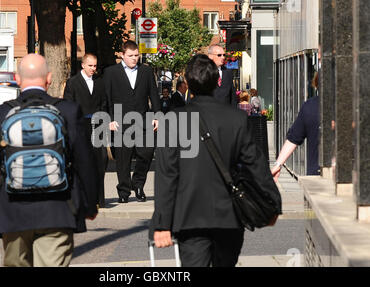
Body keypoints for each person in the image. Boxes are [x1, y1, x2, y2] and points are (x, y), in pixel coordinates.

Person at [151, 54, 281, 267]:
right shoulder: (237, 119)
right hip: (229, 215)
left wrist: (162, 223)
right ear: (216, 82)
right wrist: (273, 203)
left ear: (189, 83)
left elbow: (167, 174)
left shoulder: (173, 121)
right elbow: (255, 163)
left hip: (190, 216)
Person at [0, 54, 99, 267]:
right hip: (58, 210)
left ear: (17, 78)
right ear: (49, 78)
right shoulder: (69, 111)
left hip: (13, 212)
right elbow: (85, 162)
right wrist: (90, 206)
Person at [104, 40, 160, 203]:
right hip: (121, 122)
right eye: (130, 56)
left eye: (136, 55)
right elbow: (106, 98)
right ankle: (123, 191)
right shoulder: (111, 72)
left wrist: (157, 116)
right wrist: (109, 119)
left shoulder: (146, 71)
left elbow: (154, 94)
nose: (134, 58)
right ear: (122, 55)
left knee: (147, 152)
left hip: (144, 120)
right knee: (123, 159)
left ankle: (139, 185)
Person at [63, 53, 108, 208]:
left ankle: (99, 199)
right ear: (83, 65)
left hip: (97, 126)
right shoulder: (73, 83)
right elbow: (68, 106)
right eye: (90, 66)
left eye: (95, 66)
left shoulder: (100, 82)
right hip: (80, 127)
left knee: (100, 162)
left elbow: (104, 104)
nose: (93, 69)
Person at [271, 72, 320, 180]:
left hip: (316, 175)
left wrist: (278, 164)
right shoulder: (350, 106)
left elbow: (293, 138)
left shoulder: (310, 107)